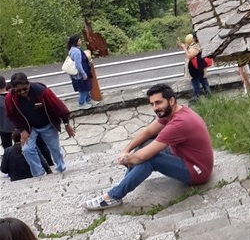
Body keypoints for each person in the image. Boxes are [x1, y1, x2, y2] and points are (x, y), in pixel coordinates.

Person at [84, 82, 214, 210]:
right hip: (183, 155)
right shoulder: (174, 111)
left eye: (158, 102)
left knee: (149, 159)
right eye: (152, 104)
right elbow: (148, 132)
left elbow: (144, 156)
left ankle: (113, 196)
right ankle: (127, 181)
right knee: (145, 143)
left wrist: (127, 159)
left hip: (197, 171)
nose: (155, 108)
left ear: (172, 100)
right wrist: (126, 150)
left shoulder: (179, 123)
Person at [4, 72, 75, 177]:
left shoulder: (42, 92)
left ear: (28, 83)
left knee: (54, 148)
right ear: (13, 89)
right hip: (29, 128)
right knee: (27, 149)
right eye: (18, 90)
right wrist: (22, 130)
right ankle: (38, 174)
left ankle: (61, 168)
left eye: (24, 89)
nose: (22, 92)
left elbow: (58, 106)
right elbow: (11, 115)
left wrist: (66, 123)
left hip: (47, 125)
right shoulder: (10, 98)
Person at [66, 33, 94, 107]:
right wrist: (84, 74)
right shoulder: (77, 52)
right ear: (76, 42)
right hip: (81, 74)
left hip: (78, 74)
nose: (80, 41)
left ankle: (88, 100)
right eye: (79, 40)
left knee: (86, 87)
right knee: (84, 89)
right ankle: (81, 103)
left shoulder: (72, 50)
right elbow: (78, 64)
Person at [0, 76, 16, 149]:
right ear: (5, 84)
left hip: (3, 128)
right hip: (18, 126)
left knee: (7, 148)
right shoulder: (14, 96)